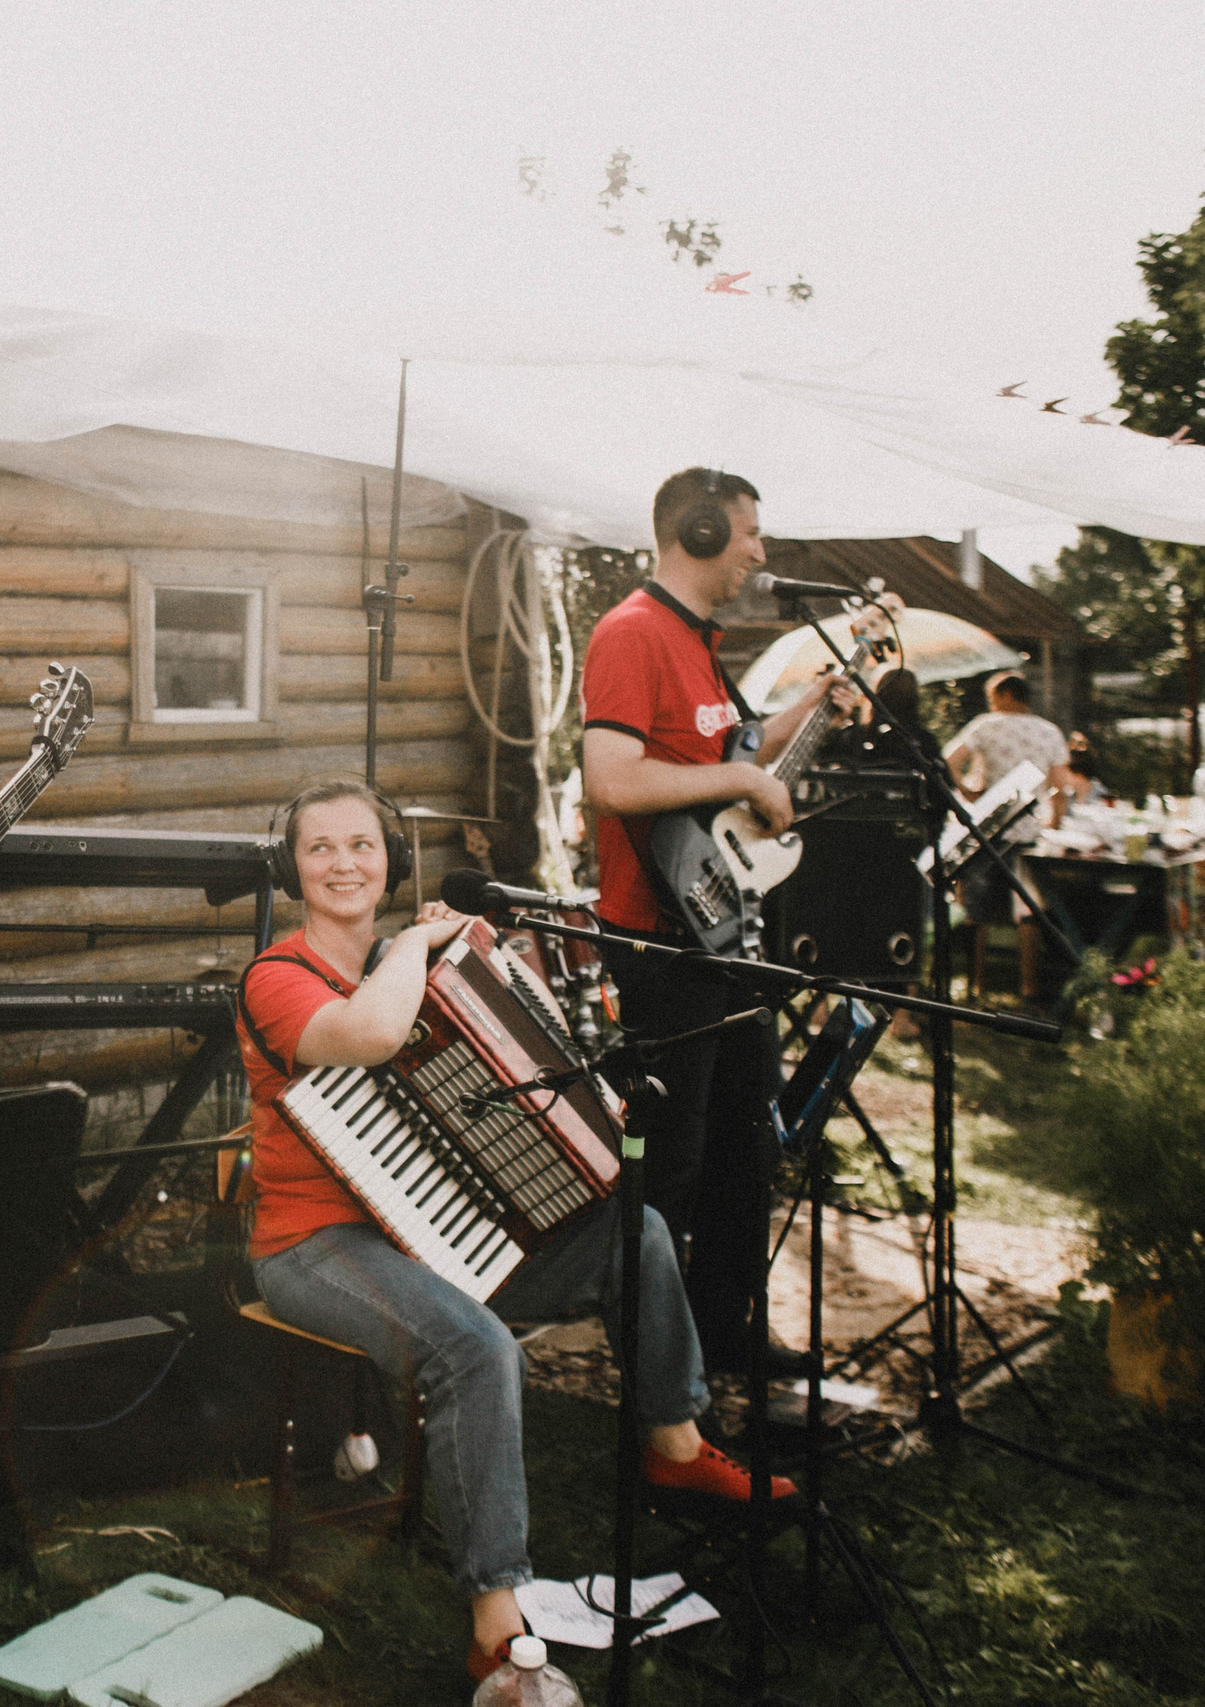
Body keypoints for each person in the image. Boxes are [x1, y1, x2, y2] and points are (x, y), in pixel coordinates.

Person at [237, 780, 794, 1683]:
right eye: (320, 847)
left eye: (362, 845)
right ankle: (497, 1619)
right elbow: (374, 1034)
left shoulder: (410, 959)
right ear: (291, 867)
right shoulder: (277, 977)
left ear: (392, 859)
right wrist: (418, 937)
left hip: (430, 1224)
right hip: (314, 1246)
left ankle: (676, 1450)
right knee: (479, 1348)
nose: (344, 863)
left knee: (636, 1231)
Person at [577, 468, 854, 1370]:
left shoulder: (699, 641)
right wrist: (742, 778)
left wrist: (812, 708)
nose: (761, 553)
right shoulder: (631, 633)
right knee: (677, 1162)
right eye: (748, 534)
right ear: (696, 531)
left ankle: (722, 1334)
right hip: (658, 941)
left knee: (748, 1146)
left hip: (724, 935)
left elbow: (726, 753)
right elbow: (613, 780)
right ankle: (654, 1359)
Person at [943, 670, 1065, 1002]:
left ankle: (976, 984)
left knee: (976, 909)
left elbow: (947, 760)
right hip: (1029, 830)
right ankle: (1028, 985)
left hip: (990, 828)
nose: (990, 704)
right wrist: (1054, 822)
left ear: (1007, 695)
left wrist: (967, 791)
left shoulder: (987, 725)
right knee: (1028, 909)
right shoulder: (1049, 732)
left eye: (993, 697)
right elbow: (1059, 784)